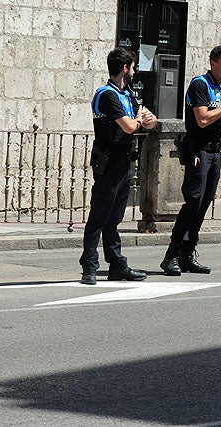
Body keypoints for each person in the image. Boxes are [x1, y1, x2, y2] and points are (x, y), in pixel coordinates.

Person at [161, 45, 221, 275]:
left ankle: (188, 253)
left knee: (204, 203)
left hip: (215, 151)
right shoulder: (200, 85)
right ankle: (172, 255)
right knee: (193, 201)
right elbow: (203, 119)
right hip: (199, 151)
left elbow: (218, 121)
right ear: (213, 63)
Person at [80, 48, 157, 285]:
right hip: (108, 162)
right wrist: (138, 121)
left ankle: (116, 264)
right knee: (98, 217)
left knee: (114, 218)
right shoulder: (107, 95)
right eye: (132, 67)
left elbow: (148, 122)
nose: (134, 72)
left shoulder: (127, 94)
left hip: (124, 162)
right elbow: (129, 126)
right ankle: (89, 266)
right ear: (125, 68)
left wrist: (146, 121)